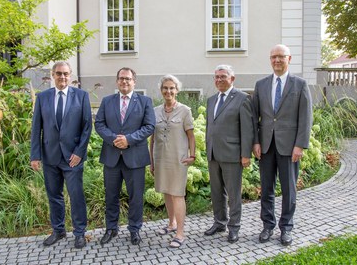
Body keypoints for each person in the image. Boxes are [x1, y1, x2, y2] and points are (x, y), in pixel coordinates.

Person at [252, 44, 313, 246]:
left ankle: (286, 228)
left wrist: (300, 145)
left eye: (281, 56)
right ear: (270, 60)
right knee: (267, 189)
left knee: (289, 190)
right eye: (273, 57)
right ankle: (267, 226)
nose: (277, 60)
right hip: (266, 146)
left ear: (289, 58)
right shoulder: (261, 85)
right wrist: (256, 141)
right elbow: (254, 117)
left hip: (289, 147)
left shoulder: (300, 84)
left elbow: (306, 117)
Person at [30, 61, 92, 249]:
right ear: (53, 75)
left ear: (70, 75)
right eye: (59, 74)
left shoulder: (81, 96)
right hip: (50, 157)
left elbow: (87, 127)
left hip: (73, 158)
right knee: (54, 195)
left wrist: (79, 153)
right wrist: (35, 155)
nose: (62, 77)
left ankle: (79, 232)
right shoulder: (43, 97)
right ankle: (58, 230)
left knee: (76, 196)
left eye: (65, 74)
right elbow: (36, 128)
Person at [94, 67, 156, 246]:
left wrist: (128, 139)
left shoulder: (144, 101)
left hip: (135, 158)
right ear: (117, 81)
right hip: (112, 157)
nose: (124, 82)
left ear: (134, 81)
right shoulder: (107, 101)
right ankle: (111, 229)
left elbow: (149, 126)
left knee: (136, 196)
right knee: (111, 195)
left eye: (128, 79)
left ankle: (134, 230)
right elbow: (99, 124)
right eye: (121, 78)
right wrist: (114, 139)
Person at [204, 64, 254, 243]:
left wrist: (245, 154)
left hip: (232, 154)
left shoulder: (243, 98)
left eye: (223, 77)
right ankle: (219, 222)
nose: (219, 80)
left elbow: (247, 129)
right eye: (216, 77)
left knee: (233, 194)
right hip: (213, 153)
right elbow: (211, 126)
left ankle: (234, 227)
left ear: (232, 79)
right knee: (216, 192)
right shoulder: (211, 100)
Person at [150, 74, 196, 248]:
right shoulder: (154, 111)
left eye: (172, 88)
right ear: (161, 90)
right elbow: (152, 140)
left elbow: (191, 136)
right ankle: (171, 224)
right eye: (165, 88)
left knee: (177, 194)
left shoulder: (185, 110)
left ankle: (180, 233)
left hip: (178, 159)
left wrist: (192, 155)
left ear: (177, 90)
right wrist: (152, 161)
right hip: (161, 158)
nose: (168, 91)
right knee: (166, 192)